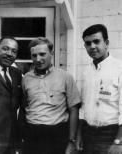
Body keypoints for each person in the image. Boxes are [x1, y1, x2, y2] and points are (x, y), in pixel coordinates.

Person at [21, 37, 81, 154]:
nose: (38, 59)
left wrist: (71, 140)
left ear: (51, 53)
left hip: (57, 135)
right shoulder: (26, 78)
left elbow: (74, 109)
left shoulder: (65, 77)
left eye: (42, 54)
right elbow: (24, 107)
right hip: (32, 135)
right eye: (34, 55)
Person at [77, 24, 122, 154]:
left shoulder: (119, 68)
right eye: (88, 43)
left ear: (106, 43)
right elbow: (83, 106)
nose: (92, 46)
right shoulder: (86, 71)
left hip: (110, 133)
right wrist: (79, 134)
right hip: (88, 133)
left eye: (96, 41)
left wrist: (119, 141)